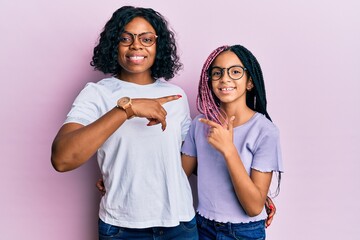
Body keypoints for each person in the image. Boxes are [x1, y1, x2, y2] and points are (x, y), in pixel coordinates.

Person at [51, 6, 198, 239]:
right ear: (113, 44)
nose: (136, 45)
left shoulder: (176, 96)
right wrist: (126, 110)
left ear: (158, 46)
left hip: (180, 224)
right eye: (125, 38)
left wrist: (250, 193)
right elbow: (62, 159)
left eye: (146, 39)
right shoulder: (97, 94)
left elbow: (186, 161)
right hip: (122, 227)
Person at [181, 44, 284, 239]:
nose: (225, 78)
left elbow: (254, 206)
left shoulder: (265, 131)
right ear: (209, 80)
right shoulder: (199, 125)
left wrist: (229, 150)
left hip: (244, 232)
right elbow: (177, 176)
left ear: (249, 82)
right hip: (202, 226)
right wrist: (117, 177)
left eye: (235, 71)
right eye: (217, 73)